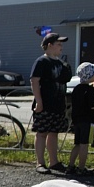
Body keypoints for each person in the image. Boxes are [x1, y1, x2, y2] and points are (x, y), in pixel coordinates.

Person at [30, 32, 71, 174]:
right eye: (58, 44)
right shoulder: (42, 61)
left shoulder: (61, 63)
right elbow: (34, 81)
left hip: (58, 104)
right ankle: (40, 163)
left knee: (54, 133)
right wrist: (39, 102)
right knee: (42, 132)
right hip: (45, 103)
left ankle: (54, 162)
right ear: (49, 45)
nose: (61, 47)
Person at [66, 62, 94, 176]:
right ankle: (81, 168)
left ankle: (70, 166)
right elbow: (93, 105)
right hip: (88, 120)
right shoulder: (90, 90)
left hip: (77, 120)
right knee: (84, 144)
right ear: (90, 76)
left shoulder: (76, 89)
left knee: (77, 144)